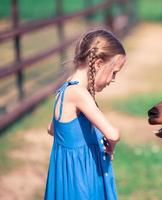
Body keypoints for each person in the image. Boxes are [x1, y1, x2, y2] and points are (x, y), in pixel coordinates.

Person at [44, 28, 126, 200]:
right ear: (98, 64)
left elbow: (51, 129)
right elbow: (113, 133)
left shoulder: (64, 89)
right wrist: (111, 145)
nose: (113, 80)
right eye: (114, 73)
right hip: (80, 176)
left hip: (65, 173)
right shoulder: (79, 93)